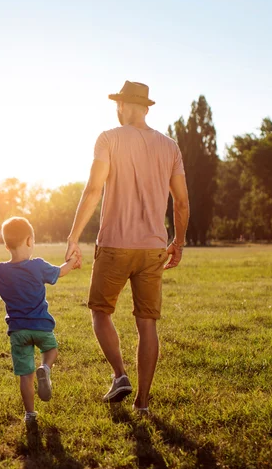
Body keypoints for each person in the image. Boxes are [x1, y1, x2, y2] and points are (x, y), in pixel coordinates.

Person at [65, 81, 190, 414]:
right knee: (146, 324)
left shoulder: (108, 138)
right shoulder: (170, 146)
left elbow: (93, 190)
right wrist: (178, 241)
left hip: (115, 245)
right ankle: (143, 403)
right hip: (153, 249)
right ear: (146, 108)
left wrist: (73, 236)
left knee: (100, 312)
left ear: (122, 106)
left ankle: (120, 374)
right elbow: (181, 201)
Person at [0, 217, 79, 423]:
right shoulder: (38, 266)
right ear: (30, 241)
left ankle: (30, 414)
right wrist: (72, 262)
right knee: (51, 350)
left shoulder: (0, 271)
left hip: (18, 331)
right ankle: (46, 368)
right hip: (42, 326)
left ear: (6, 245)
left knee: (26, 374)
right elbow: (61, 272)